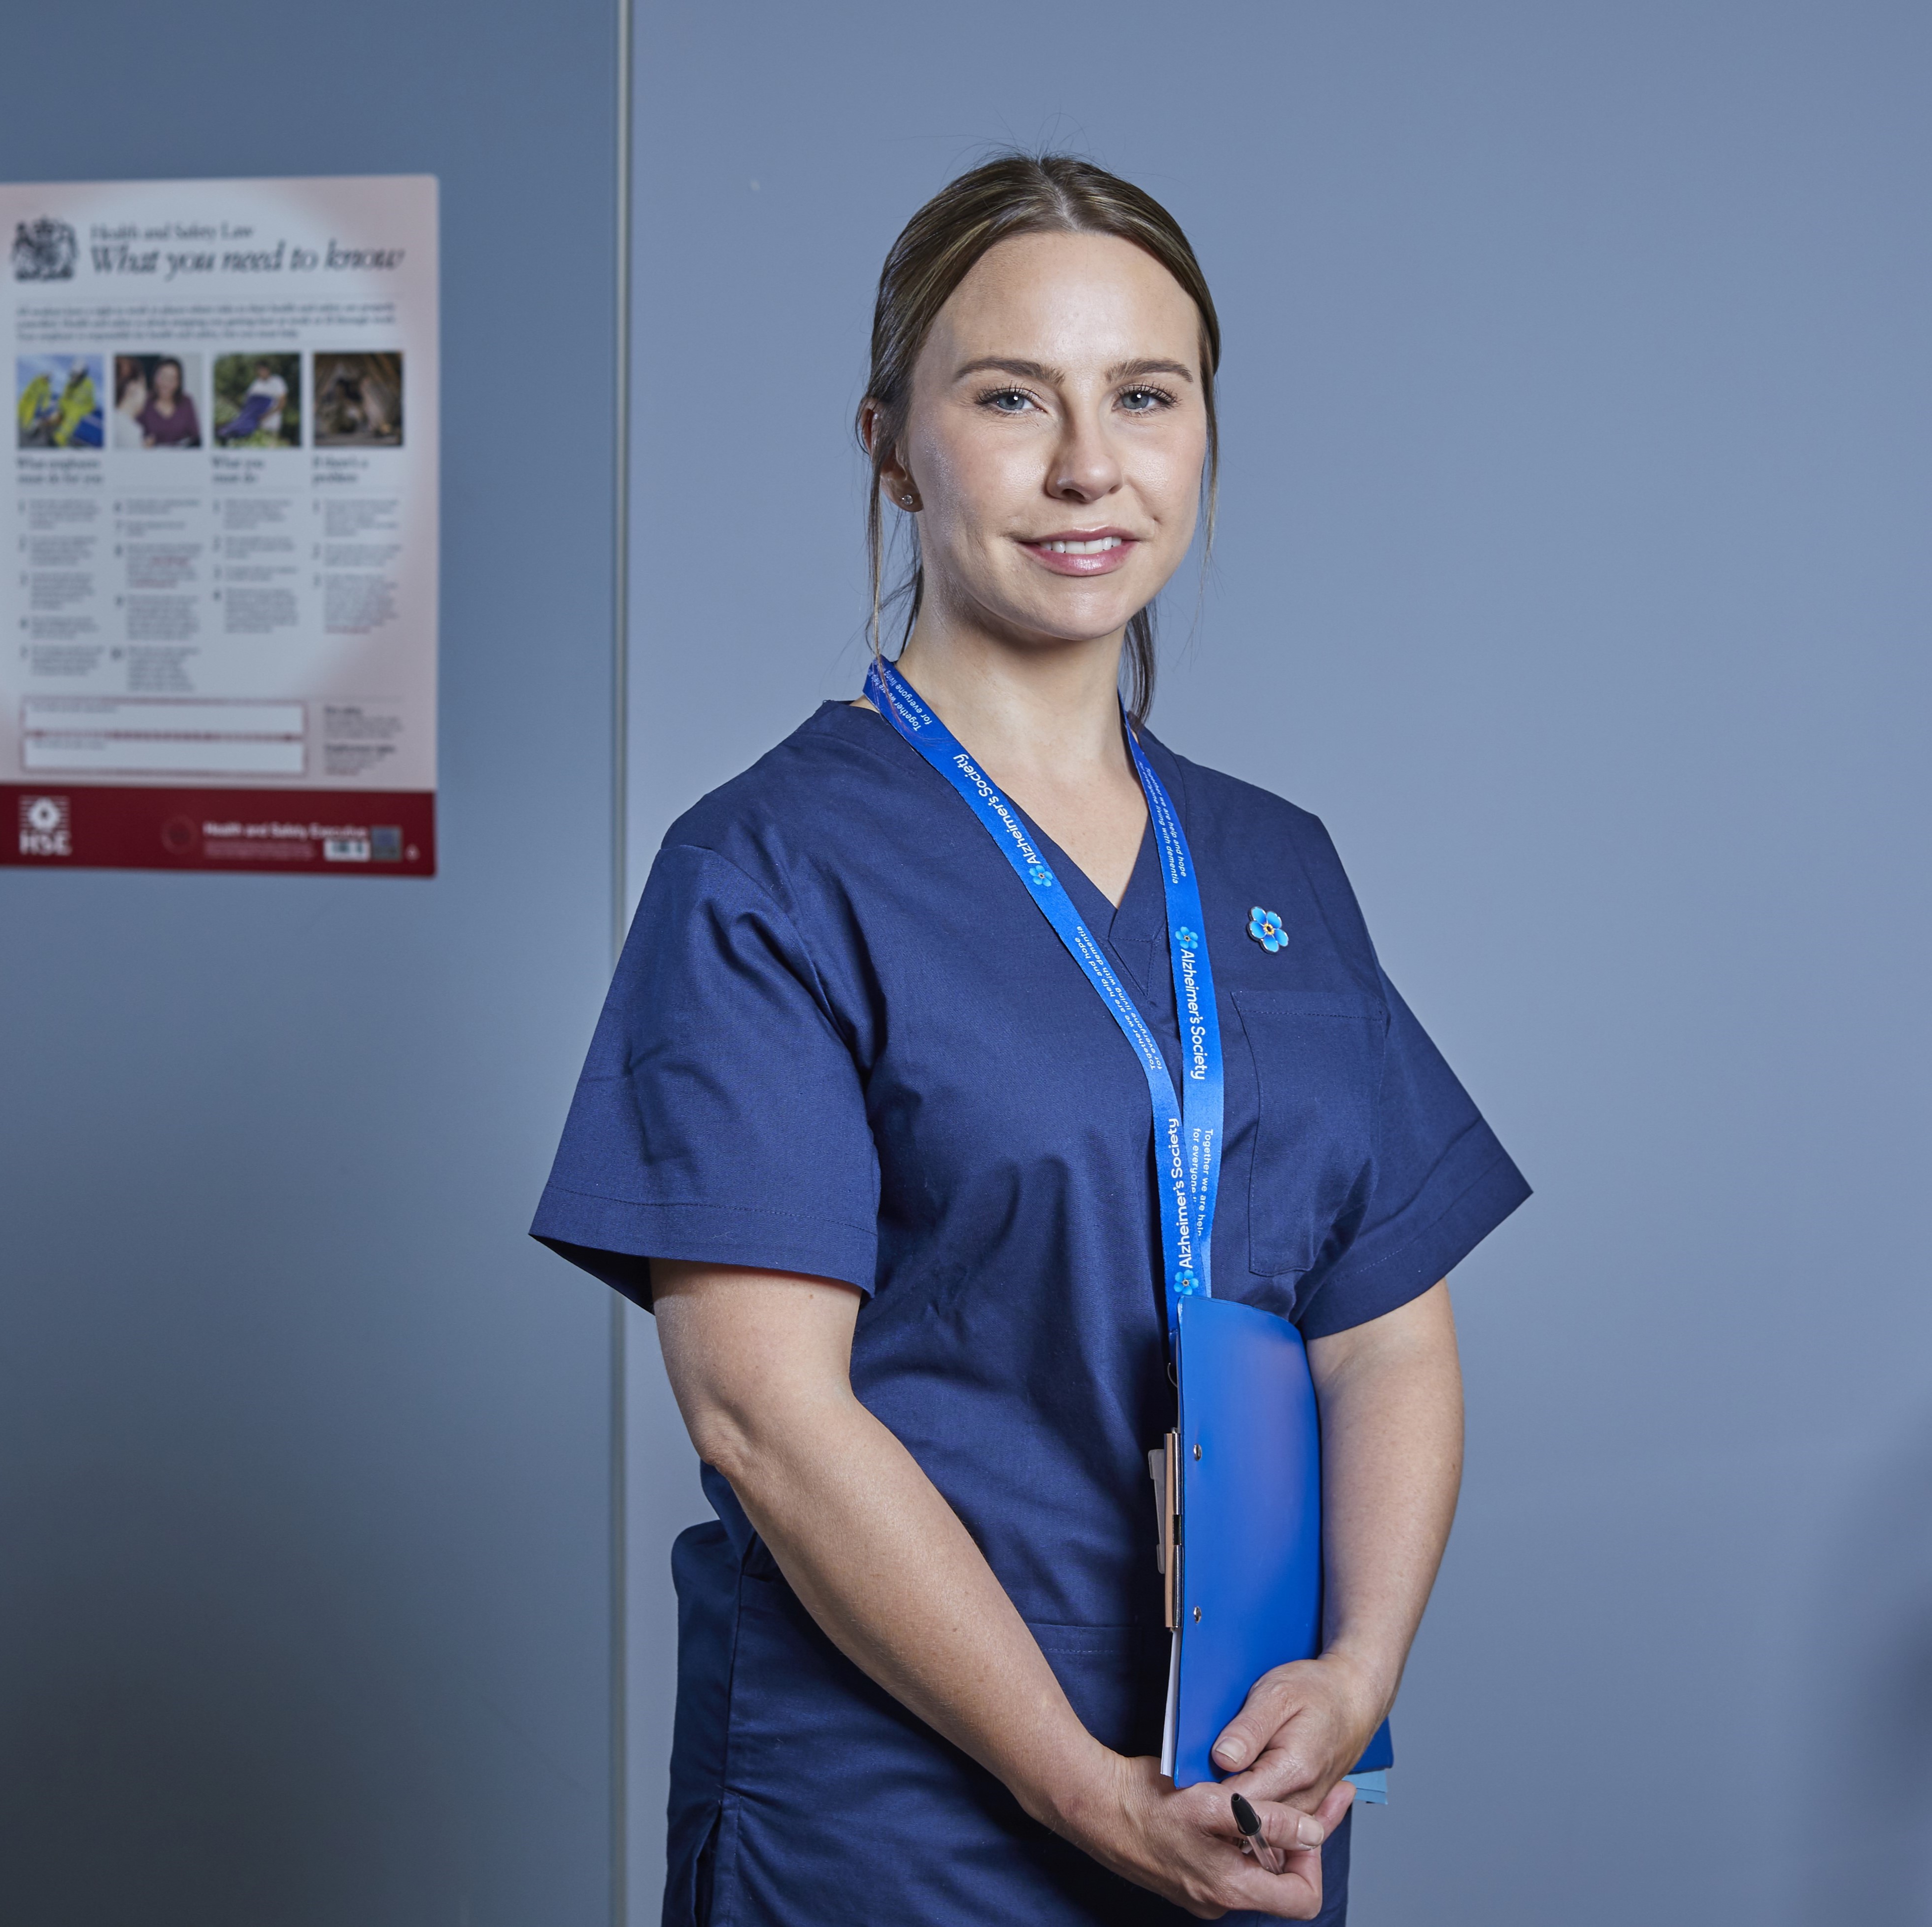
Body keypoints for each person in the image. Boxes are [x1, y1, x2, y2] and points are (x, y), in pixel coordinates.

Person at [533, 154, 1527, 1927]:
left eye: (1145, 396)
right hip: (894, 1808)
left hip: (1234, 1770)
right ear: (892, 442)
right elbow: (764, 1411)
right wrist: (1079, 1789)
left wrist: (1357, 1671)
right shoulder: (765, 867)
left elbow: (1385, 1338)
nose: (1090, 464)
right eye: (1011, 397)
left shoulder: (1278, 860)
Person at [137, 356, 199, 448]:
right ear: (154, 377)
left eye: (172, 378)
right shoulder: (143, 401)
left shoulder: (186, 402)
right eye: (163, 376)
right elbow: (133, 435)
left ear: (179, 382)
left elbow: (195, 436)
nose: (166, 383)